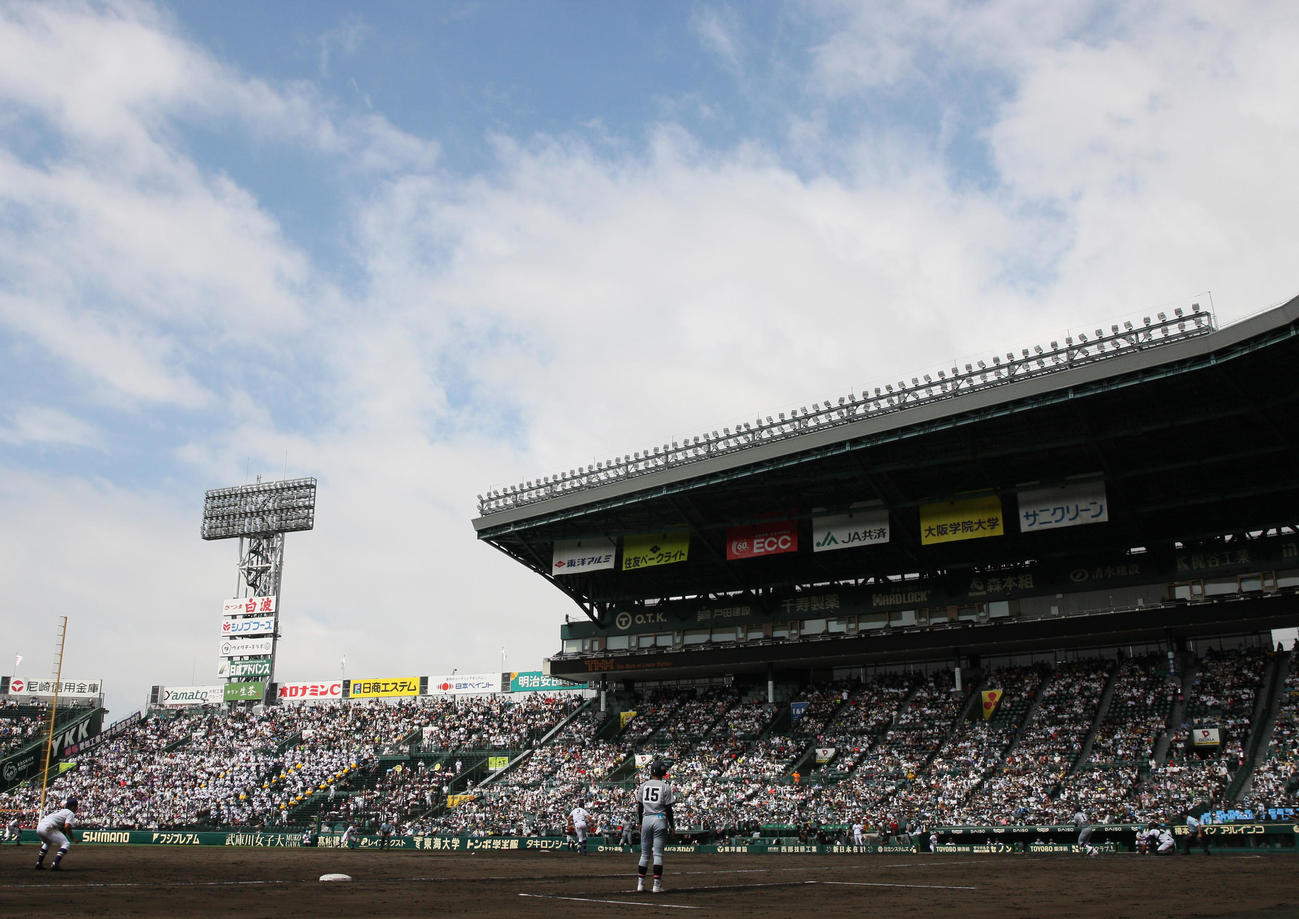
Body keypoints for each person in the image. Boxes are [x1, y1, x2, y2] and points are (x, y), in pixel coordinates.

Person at [634, 760, 675, 894]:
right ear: (663, 772)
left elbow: (639, 807)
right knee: (658, 854)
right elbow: (669, 809)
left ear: (651, 771)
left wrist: (640, 822)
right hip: (660, 819)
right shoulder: (665, 787)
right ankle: (656, 886)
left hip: (646, 818)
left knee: (644, 854)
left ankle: (640, 884)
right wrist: (672, 825)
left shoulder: (644, 785)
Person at [34, 796, 77, 870]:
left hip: (40, 826)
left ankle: (39, 863)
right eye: (76, 806)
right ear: (73, 807)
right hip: (48, 827)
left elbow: (61, 826)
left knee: (47, 843)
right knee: (66, 844)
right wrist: (72, 838)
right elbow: (67, 827)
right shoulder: (70, 813)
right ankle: (55, 864)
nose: (77, 808)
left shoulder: (61, 811)